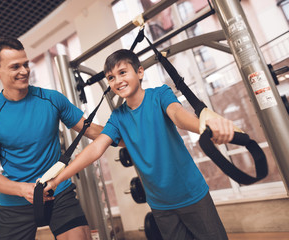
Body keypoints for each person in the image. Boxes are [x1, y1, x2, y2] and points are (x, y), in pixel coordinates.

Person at [45, 49, 233, 240]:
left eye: (123, 72)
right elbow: (95, 148)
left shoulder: (160, 95)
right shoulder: (118, 118)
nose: (117, 81)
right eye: (111, 77)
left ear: (140, 72)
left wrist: (205, 127)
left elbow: (179, 116)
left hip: (191, 196)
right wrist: (57, 179)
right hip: (160, 205)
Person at [0, 37, 103, 240]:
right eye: (15, 66)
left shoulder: (51, 99)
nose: (24, 71)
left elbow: (92, 131)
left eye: (26, 64)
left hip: (58, 193)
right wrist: (22, 189)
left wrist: (130, 132)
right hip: (16, 202)